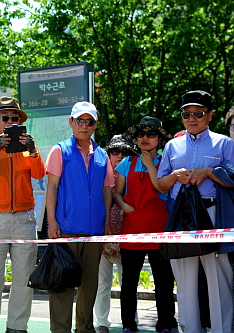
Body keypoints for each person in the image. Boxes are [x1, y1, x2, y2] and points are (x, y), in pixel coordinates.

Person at [157, 90, 234, 333]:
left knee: (219, 280)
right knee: (185, 281)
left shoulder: (225, 143)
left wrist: (210, 172)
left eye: (198, 113)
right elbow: (160, 185)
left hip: (214, 215)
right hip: (181, 216)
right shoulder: (171, 145)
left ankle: (223, 330)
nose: (192, 118)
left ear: (209, 115)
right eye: (186, 114)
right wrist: (173, 176)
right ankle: (189, 329)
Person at [0, 96, 45, 333]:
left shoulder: (28, 147)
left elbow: (39, 173)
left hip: (24, 218)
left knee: (24, 278)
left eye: (15, 118)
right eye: (6, 118)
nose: (10, 121)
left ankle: (17, 327)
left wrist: (33, 151)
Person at [45, 101, 113, 333]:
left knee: (89, 285)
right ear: (71, 122)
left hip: (94, 231)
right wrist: (52, 222)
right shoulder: (59, 150)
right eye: (79, 120)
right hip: (66, 228)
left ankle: (85, 328)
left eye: (89, 121)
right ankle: (60, 330)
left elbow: (107, 190)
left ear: (95, 124)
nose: (84, 125)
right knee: (63, 284)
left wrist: (106, 224)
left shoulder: (103, 155)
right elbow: (51, 188)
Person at [113, 117, 177, 333]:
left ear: (159, 138)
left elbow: (163, 189)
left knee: (164, 283)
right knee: (129, 283)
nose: (145, 138)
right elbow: (117, 194)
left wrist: (150, 164)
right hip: (131, 230)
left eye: (151, 134)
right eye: (141, 134)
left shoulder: (166, 162)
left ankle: (166, 323)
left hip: (159, 229)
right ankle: (128, 325)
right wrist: (125, 206)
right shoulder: (126, 163)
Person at [94, 135, 137, 333]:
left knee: (128, 282)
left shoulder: (136, 177)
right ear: (108, 154)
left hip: (129, 236)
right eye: (115, 151)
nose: (120, 155)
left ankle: (131, 321)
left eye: (125, 152)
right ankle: (102, 322)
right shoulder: (99, 174)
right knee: (102, 283)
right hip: (103, 236)